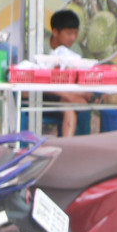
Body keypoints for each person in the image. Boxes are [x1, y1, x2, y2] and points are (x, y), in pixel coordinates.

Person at [47, 8, 91, 138]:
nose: (73, 38)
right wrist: (71, 97)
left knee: (83, 96)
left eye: (75, 33)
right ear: (55, 32)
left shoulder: (75, 49)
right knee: (69, 103)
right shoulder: (41, 47)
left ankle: (70, 146)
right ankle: (68, 146)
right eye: (69, 33)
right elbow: (41, 82)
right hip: (46, 92)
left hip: (68, 90)